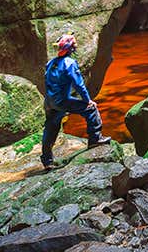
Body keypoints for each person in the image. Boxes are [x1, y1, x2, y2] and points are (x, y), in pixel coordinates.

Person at [40, 33, 111, 170]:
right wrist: (88, 100)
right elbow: (79, 84)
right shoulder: (69, 63)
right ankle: (95, 139)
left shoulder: (51, 63)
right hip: (61, 101)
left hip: (49, 101)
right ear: (71, 48)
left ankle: (47, 160)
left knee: (50, 128)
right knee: (90, 109)